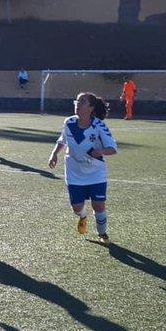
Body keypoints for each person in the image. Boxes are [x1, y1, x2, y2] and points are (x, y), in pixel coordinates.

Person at [47, 93, 118, 244]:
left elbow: (112, 148)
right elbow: (62, 140)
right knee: (76, 208)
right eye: (77, 101)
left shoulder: (99, 126)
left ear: (91, 108)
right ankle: (83, 216)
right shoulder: (69, 122)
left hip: (95, 172)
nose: (77, 104)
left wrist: (99, 151)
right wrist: (54, 154)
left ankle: (102, 234)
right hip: (74, 173)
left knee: (98, 205)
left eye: (82, 102)